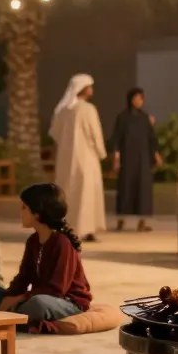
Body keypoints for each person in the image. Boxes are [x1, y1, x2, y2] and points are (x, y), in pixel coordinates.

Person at [0, 183, 91, 333]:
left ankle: (8, 315)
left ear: (37, 214)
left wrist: (20, 298)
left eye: (24, 208)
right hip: (30, 298)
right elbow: (23, 278)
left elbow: (56, 289)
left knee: (37, 304)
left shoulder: (62, 243)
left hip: (65, 301)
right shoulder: (33, 241)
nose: (20, 213)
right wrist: (9, 295)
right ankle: (12, 315)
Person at [50, 74, 107, 242]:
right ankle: (85, 229)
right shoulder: (88, 109)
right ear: (84, 89)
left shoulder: (63, 111)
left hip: (66, 160)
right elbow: (95, 135)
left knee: (69, 192)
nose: (92, 90)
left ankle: (71, 228)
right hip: (86, 159)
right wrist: (102, 153)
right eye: (90, 86)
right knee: (86, 193)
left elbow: (55, 134)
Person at [111, 88, 162, 233]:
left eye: (141, 98)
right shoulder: (122, 117)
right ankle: (121, 221)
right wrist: (116, 157)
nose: (138, 101)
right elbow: (116, 139)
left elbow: (151, 139)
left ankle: (142, 222)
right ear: (130, 99)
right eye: (136, 98)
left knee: (143, 190)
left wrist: (156, 155)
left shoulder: (145, 118)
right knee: (125, 188)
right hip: (127, 159)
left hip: (143, 159)